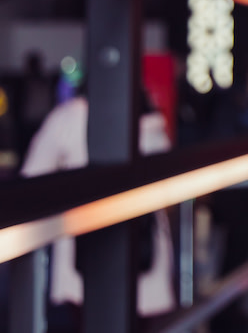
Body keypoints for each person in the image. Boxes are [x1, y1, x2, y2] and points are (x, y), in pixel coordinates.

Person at [20, 88, 176, 332]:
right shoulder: (151, 119)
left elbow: (32, 177)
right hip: (145, 250)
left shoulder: (69, 117)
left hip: (86, 253)